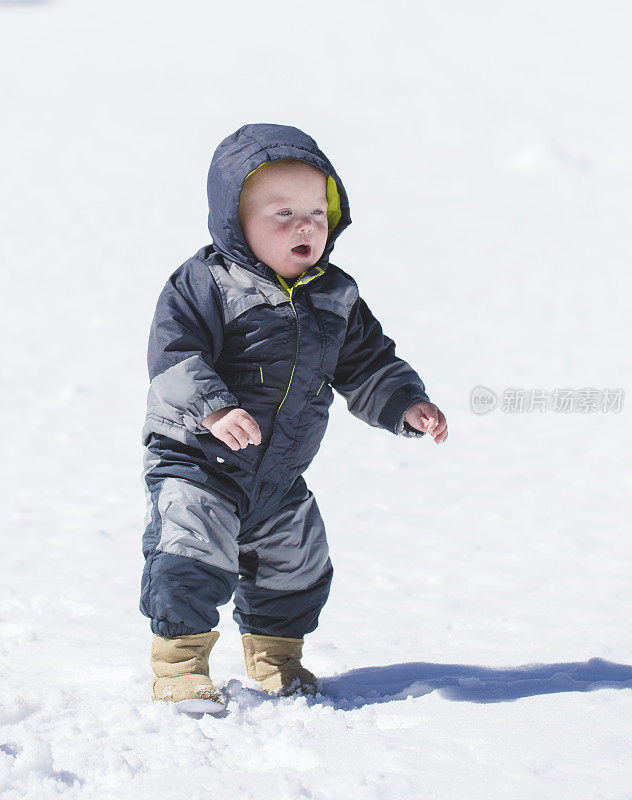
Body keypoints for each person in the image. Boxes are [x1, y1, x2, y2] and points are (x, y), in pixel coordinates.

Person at [140, 123, 448, 712]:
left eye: (316, 211)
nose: (304, 225)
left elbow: (367, 362)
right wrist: (215, 407)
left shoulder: (335, 296)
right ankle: (180, 665)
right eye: (282, 213)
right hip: (198, 460)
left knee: (299, 563)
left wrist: (404, 403)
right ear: (236, 220)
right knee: (191, 553)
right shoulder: (205, 284)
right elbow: (174, 357)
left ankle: (276, 657)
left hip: (277, 472)